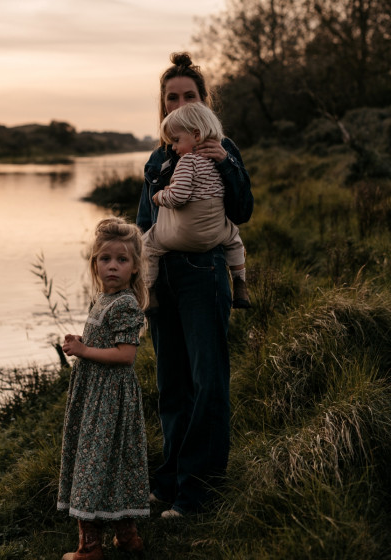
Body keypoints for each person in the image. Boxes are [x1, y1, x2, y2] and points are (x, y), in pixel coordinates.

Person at [136, 52, 253, 518]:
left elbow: (241, 211)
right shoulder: (157, 157)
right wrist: (138, 282)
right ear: (163, 106)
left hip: (205, 276)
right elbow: (146, 221)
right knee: (172, 385)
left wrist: (226, 163)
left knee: (208, 382)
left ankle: (201, 492)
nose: (179, 103)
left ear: (204, 103)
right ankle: (171, 482)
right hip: (164, 279)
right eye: (171, 98)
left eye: (189, 95)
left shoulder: (224, 149)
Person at [57, 217, 150, 560]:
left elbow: (126, 355)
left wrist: (83, 352)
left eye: (122, 260)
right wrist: (83, 341)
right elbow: (106, 342)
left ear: (135, 267)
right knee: (109, 463)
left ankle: (89, 548)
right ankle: (127, 538)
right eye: (105, 259)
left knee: (94, 463)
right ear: (94, 263)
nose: (112, 266)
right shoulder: (102, 299)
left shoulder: (125, 304)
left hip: (110, 398)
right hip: (95, 393)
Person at [143, 101, 250, 310]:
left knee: (148, 243)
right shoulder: (217, 162)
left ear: (197, 135)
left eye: (176, 140)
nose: (173, 147)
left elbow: (179, 197)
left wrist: (160, 196)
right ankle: (240, 282)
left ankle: (149, 291)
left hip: (185, 235)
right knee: (234, 238)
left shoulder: (187, 162)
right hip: (215, 234)